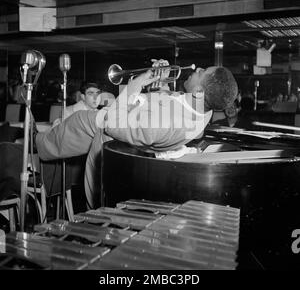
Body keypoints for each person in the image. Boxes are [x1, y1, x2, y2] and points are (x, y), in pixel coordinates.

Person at [36, 64, 238, 209]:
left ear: (199, 90)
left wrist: (134, 86)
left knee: (75, 123)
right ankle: (41, 141)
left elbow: (115, 125)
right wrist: (161, 84)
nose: (197, 69)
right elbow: (170, 105)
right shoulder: (203, 109)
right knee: (72, 125)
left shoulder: (166, 123)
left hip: (109, 140)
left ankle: (36, 145)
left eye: (202, 72)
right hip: (124, 123)